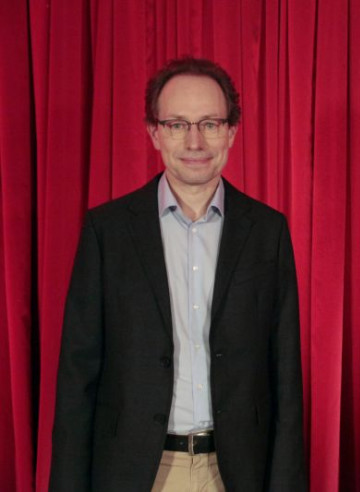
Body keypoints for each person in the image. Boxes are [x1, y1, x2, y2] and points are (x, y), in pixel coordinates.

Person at [50, 57, 306, 491]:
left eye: (210, 123)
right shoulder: (107, 232)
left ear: (231, 132)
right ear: (154, 132)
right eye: (176, 124)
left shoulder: (268, 232)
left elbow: (286, 377)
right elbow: (78, 377)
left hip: (236, 472)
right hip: (136, 473)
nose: (194, 140)